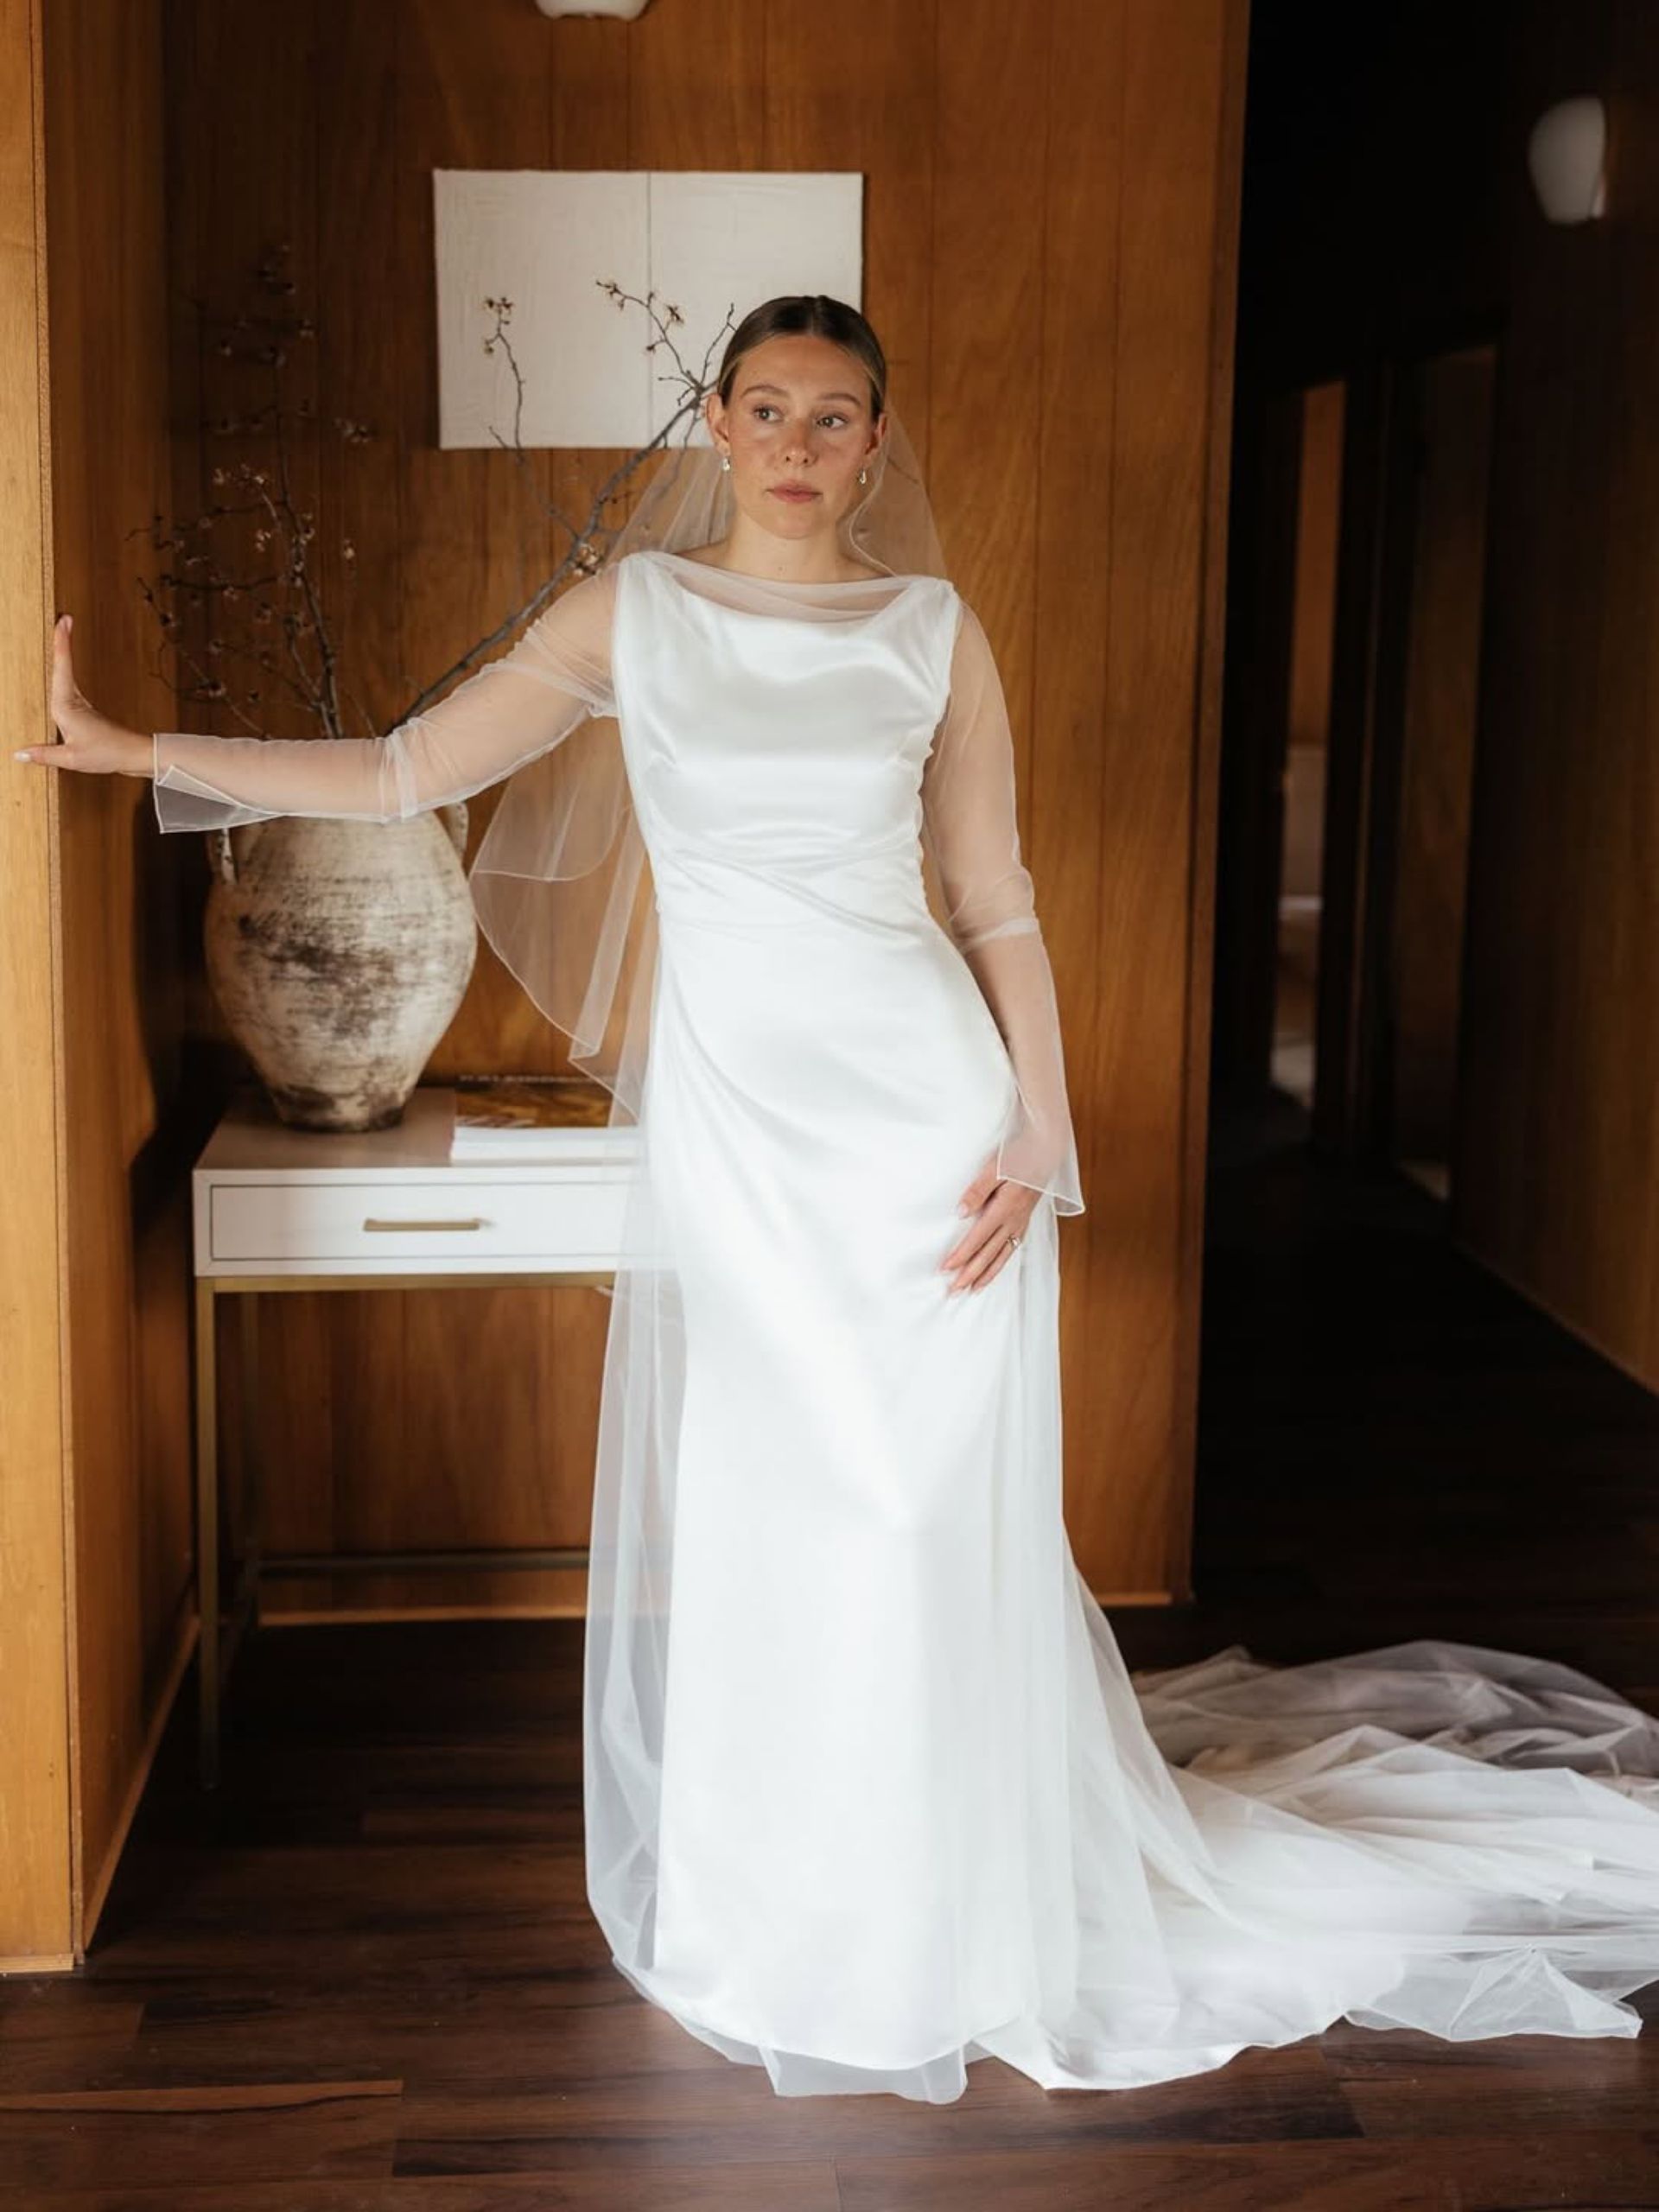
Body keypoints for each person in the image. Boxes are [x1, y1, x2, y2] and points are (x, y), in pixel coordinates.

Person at [21, 295, 1659, 2106]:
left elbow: (996, 897)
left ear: (877, 445)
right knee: (779, 1503)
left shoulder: (931, 631)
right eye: (771, 406)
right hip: (745, 1135)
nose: (801, 442)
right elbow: (406, 768)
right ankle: (784, 1901)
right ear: (715, 421)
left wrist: (1042, 1124)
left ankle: (945, 1902)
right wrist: (137, 749)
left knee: (912, 1511)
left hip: (925, 1121)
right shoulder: (628, 615)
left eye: (837, 414)